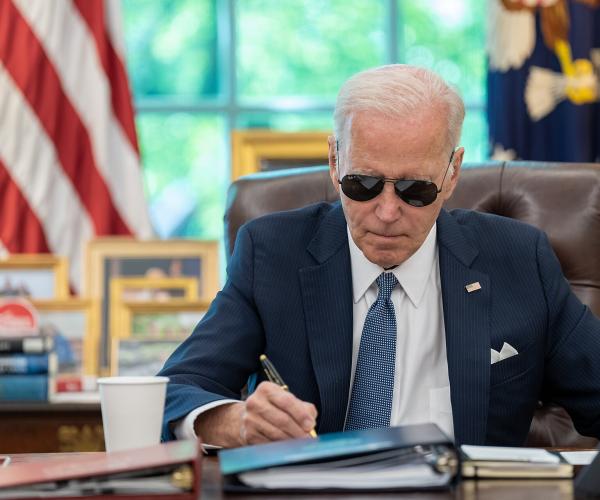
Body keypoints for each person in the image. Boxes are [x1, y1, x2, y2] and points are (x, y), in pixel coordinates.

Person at [158, 64, 600, 448]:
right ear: (335, 161)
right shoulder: (272, 254)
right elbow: (176, 389)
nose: (387, 213)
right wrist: (232, 421)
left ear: (452, 174)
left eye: (416, 190)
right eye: (363, 186)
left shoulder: (519, 260)